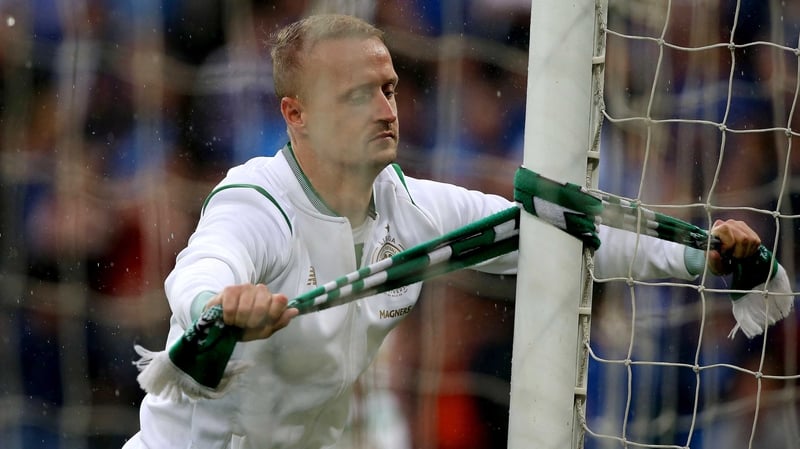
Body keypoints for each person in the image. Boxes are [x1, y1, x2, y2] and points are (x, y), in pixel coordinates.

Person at [123, 13, 764, 449]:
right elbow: (202, 268)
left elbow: (558, 234)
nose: (386, 110)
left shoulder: (409, 206)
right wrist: (220, 305)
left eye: (389, 89)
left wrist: (698, 257)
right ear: (297, 114)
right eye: (358, 96)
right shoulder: (258, 201)